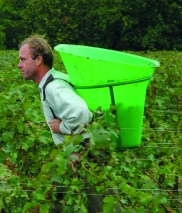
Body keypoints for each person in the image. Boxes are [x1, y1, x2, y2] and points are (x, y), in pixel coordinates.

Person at [18, 35, 122, 213]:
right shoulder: (53, 81)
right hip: (82, 151)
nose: (19, 65)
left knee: (102, 207)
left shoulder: (53, 87)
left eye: (23, 59)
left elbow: (81, 113)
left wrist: (63, 127)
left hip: (86, 153)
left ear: (38, 60)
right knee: (67, 201)